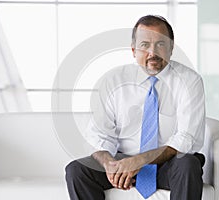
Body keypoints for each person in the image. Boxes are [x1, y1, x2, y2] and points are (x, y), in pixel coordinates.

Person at [65, 15, 206, 200]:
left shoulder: (189, 81)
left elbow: (185, 139)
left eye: (160, 44)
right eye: (145, 45)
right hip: (122, 165)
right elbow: (99, 135)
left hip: (168, 165)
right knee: (77, 170)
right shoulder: (113, 81)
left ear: (171, 48)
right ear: (133, 50)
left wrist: (141, 160)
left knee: (188, 164)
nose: (152, 53)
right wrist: (110, 165)